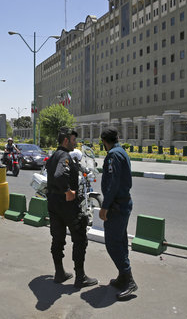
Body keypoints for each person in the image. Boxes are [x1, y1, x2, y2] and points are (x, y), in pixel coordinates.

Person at [46, 127, 97, 288]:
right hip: (67, 205)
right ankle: (80, 277)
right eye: (74, 140)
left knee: (57, 238)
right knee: (80, 238)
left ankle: (59, 273)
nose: (76, 143)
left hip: (53, 203)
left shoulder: (54, 155)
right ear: (66, 140)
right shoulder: (65, 156)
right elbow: (59, 175)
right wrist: (68, 191)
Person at [98, 127, 137, 300]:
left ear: (104, 142)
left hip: (116, 207)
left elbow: (113, 184)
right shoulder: (121, 151)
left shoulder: (113, 155)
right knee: (120, 240)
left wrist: (104, 206)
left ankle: (129, 280)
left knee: (112, 243)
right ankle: (123, 277)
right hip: (122, 204)